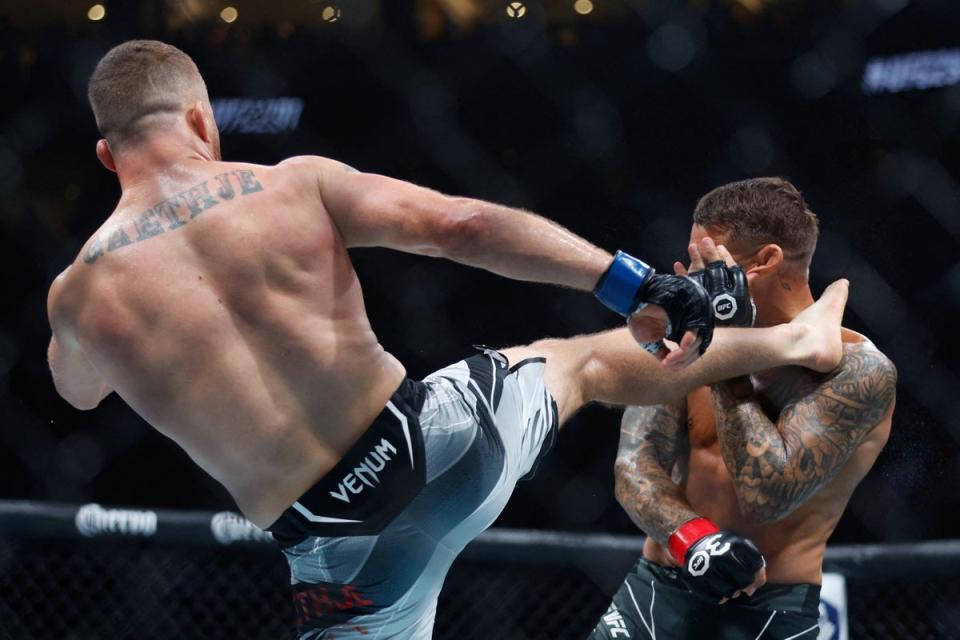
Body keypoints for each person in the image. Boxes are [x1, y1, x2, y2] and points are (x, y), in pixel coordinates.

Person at [47, 41, 847, 639]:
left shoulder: (82, 296)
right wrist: (632, 283)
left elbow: (75, 391)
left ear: (105, 154)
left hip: (343, 561)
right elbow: (457, 226)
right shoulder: (288, 186)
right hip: (440, 447)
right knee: (584, 360)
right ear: (199, 118)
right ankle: (798, 342)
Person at [591, 178, 897, 640]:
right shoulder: (685, 337)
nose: (688, 274)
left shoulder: (859, 372)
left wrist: (724, 356)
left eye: (705, 259)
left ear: (766, 261)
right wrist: (695, 539)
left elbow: (766, 494)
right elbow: (635, 464)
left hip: (769, 612)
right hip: (658, 589)